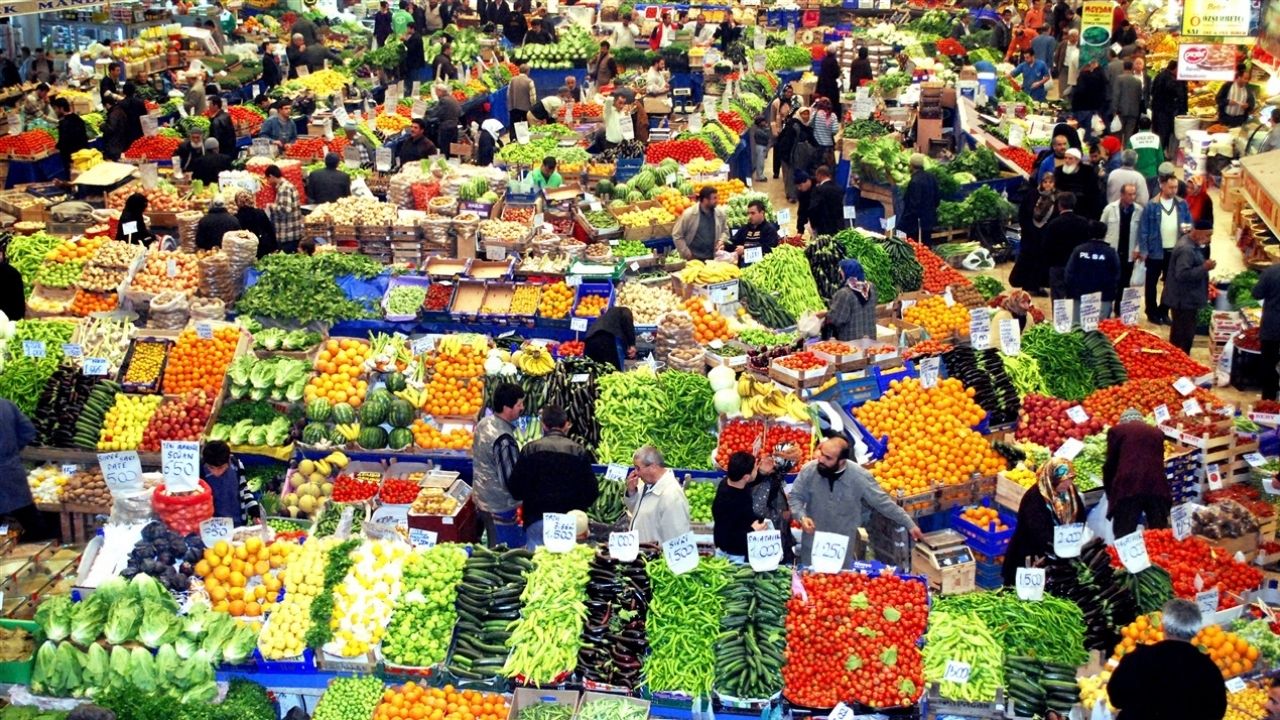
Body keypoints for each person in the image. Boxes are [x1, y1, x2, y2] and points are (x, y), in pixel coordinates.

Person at [791, 437, 922, 566]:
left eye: (828, 458)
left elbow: (883, 503)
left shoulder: (859, 477)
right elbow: (796, 496)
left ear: (842, 461)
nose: (821, 460)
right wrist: (802, 517)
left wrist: (908, 523)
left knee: (839, 583)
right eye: (822, 454)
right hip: (812, 544)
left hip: (843, 548)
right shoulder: (810, 470)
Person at [1107, 599, 1227, 720]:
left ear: (1164, 627)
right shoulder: (1208, 669)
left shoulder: (1137, 659)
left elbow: (1116, 698)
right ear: (1196, 631)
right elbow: (1217, 712)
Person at [507, 405, 598, 548]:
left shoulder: (530, 449)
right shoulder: (578, 451)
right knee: (565, 565)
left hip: (536, 519)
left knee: (538, 564)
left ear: (543, 424)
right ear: (566, 425)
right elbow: (591, 492)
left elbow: (515, 488)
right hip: (569, 523)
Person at [1001, 458, 1086, 584]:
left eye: (1070, 480)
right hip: (1030, 556)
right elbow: (1037, 532)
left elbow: (1080, 517)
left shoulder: (1071, 493)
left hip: (1060, 554)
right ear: (1051, 479)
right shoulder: (1034, 498)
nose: (1068, 485)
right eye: (1063, 481)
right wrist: (1058, 549)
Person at [1103, 407, 1170, 537]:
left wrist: (1110, 491)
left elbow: (1111, 464)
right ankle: (1159, 553)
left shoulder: (1116, 431)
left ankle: (1125, 555)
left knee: (1125, 531)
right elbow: (1158, 461)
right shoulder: (1157, 433)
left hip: (1128, 486)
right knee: (1159, 531)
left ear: (1123, 422)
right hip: (1156, 485)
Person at [473, 382, 525, 547]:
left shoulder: (484, 423)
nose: (522, 407)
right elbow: (511, 480)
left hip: (482, 496)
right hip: (500, 505)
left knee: (492, 538)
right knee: (504, 550)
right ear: (507, 408)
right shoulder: (504, 440)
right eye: (519, 404)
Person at [1138, 174, 1192, 325]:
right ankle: (1151, 311)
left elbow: (1189, 224)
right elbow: (1144, 229)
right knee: (1151, 283)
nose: (1174, 190)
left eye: (1176, 187)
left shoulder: (1182, 204)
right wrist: (1143, 250)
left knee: (1170, 284)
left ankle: (1164, 310)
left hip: (1174, 251)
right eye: (1171, 187)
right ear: (1162, 185)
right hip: (1155, 251)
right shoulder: (1151, 205)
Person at [1163, 218, 1214, 354]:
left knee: (1181, 333)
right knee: (1183, 335)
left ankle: (1178, 359)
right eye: (1208, 235)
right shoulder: (1186, 249)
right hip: (1183, 300)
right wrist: (1204, 267)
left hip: (1186, 299)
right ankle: (1180, 361)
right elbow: (1182, 275)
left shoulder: (1192, 244)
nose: (1209, 239)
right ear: (1197, 232)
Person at [625, 445, 691, 544]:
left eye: (638, 468)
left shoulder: (672, 495)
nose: (636, 473)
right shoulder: (647, 485)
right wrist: (631, 491)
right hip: (643, 554)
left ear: (652, 467)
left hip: (654, 557)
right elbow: (639, 512)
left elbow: (677, 538)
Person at [713, 452, 771, 562]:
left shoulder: (730, 482)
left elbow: (750, 480)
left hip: (739, 545)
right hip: (733, 554)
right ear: (746, 477)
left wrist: (762, 473)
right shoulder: (727, 502)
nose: (757, 469)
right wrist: (753, 530)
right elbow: (727, 536)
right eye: (755, 469)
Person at [0, 398, 43, 539]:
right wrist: (12, 451)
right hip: (12, 471)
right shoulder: (5, 404)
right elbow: (28, 431)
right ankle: (42, 551)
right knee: (31, 522)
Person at [1011, 173, 1058, 296]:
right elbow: (1023, 213)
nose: (1047, 185)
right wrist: (1027, 229)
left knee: (1041, 263)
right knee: (1028, 260)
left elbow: (1055, 217)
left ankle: (1037, 286)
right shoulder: (1032, 195)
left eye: (1050, 182)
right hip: (1029, 235)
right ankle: (1026, 285)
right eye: (1045, 182)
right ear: (1041, 183)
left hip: (1045, 237)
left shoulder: (1056, 198)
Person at [1064, 220, 1121, 319]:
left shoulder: (1078, 250)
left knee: (1077, 329)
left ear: (1089, 232)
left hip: (1079, 296)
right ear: (1105, 234)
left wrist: (1070, 291)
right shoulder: (1111, 253)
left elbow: (1069, 273)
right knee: (1100, 329)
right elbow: (1116, 274)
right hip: (1103, 298)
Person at [1102, 182, 1143, 312]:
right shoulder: (1110, 209)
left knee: (1124, 284)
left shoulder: (1139, 211)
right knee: (1109, 282)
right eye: (1129, 194)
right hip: (1112, 253)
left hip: (1129, 253)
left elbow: (1142, 233)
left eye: (1134, 194)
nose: (1132, 197)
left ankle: (1119, 310)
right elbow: (1102, 228)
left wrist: (1138, 248)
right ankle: (1106, 309)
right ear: (1122, 195)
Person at [1043, 192, 1092, 298]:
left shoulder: (1054, 224)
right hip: (1077, 266)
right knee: (1075, 298)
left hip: (1058, 266)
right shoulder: (1083, 222)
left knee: (1058, 301)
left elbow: (1046, 246)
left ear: (1059, 205)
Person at [201, 441, 262, 526]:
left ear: (228, 460)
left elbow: (244, 490)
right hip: (214, 526)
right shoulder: (201, 472)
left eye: (220, 467)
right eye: (211, 468)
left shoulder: (237, 466)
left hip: (238, 523)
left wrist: (254, 510)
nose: (216, 472)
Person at [749, 454, 794, 562]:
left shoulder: (773, 478)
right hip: (767, 533)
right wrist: (780, 514)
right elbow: (758, 508)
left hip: (771, 532)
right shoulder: (767, 482)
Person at [822, 259, 878, 341]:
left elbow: (836, 319)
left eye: (841, 272)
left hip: (851, 343)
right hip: (870, 340)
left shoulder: (845, 294)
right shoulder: (871, 288)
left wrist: (825, 317)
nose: (840, 274)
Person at [672, 187, 728, 261]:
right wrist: (687, 254)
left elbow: (725, 231)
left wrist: (721, 240)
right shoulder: (689, 214)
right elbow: (677, 235)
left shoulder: (720, 214)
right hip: (693, 259)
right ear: (705, 200)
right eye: (714, 198)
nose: (717, 201)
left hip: (713, 259)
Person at [1253, 260, 1280, 400]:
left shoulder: (1271, 272)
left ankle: (1268, 400)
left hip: (1272, 327)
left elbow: (1257, 293)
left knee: (1269, 364)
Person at [778, 105, 815, 202]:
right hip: (791, 154)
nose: (806, 116)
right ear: (799, 114)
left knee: (798, 173)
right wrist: (787, 156)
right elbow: (787, 141)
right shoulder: (794, 125)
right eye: (803, 114)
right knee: (790, 175)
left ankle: (798, 193)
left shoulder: (806, 126)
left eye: (807, 114)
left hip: (800, 155)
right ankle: (791, 195)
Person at [900, 153, 939, 245]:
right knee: (927, 245)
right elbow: (937, 198)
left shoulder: (915, 181)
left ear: (911, 165)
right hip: (929, 219)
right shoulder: (931, 177)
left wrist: (906, 220)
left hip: (917, 224)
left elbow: (914, 204)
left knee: (915, 247)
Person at [1150, 61, 1186, 159]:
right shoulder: (1169, 79)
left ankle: (1162, 154)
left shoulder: (1160, 76)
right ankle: (1161, 156)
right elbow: (1177, 94)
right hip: (1166, 112)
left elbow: (1152, 92)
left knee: (1162, 134)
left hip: (1160, 111)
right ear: (1174, 69)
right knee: (1164, 134)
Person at [264, 165, 303, 253]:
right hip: (291, 232)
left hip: (288, 233)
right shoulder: (286, 186)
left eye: (268, 179)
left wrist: (271, 206)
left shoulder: (284, 188)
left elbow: (285, 209)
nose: (268, 182)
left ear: (271, 176)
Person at [1054, 147, 1101, 220]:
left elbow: (1093, 192)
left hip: (1083, 209)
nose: (1067, 161)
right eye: (1065, 158)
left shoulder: (1088, 171)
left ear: (1077, 160)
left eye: (1070, 158)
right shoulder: (1059, 171)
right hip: (1064, 208)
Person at [233, 191, 278, 258]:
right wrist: (275, 246)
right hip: (262, 248)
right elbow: (270, 230)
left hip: (245, 251)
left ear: (237, 203)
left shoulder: (236, 218)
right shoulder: (260, 213)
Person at [1071, 59, 1107, 141]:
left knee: (1080, 130)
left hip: (1081, 107)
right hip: (1092, 107)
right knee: (1088, 130)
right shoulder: (1098, 77)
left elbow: (1079, 91)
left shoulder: (1082, 77)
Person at [52, 98, 88, 178]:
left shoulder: (64, 123)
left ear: (61, 108)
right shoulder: (78, 119)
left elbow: (63, 142)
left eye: (56, 108)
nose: (55, 111)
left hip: (71, 157)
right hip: (83, 154)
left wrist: (56, 147)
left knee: (73, 178)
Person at [1113, 60, 1144, 143]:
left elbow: (1116, 95)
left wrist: (1114, 110)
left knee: (1118, 132)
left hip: (1121, 111)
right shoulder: (1138, 81)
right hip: (1134, 111)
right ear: (1132, 68)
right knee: (1129, 134)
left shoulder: (1119, 79)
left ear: (1124, 67)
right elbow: (1139, 97)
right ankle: (1127, 152)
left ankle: (1119, 152)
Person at [808, 165, 843, 238]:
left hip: (823, 227)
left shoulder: (818, 190)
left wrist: (813, 225)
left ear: (820, 175)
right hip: (837, 227)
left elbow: (813, 209)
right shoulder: (839, 189)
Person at [430, 83, 462, 155]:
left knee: (444, 150)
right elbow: (460, 112)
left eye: (436, 92)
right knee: (453, 150)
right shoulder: (452, 98)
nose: (436, 94)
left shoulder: (443, 100)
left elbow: (436, 113)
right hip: (454, 127)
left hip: (446, 128)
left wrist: (426, 113)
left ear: (440, 91)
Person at [507, 63, 536, 137]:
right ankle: (524, 140)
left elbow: (508, 93)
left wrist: (510, 104)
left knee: (513, 125)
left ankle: (513, 140)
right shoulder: (529, 81)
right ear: (528, 71)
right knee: (524, 126)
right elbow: (533, 97)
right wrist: (533, 107)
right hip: (525, 108)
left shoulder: (512, 80)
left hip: (513, 107)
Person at [810, 98, 839, 169]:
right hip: (828, 147)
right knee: (829, 168)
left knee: (816, 167)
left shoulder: (815, 114)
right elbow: (834, 130)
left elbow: (810, 124)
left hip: (817, 145)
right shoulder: (833, 116)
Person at [207, 96, 237, 161]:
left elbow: (216, 138)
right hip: (230, 150)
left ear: (216, 106)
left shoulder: (216, 121)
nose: (208, 107)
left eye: (210, 105)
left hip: (223, 151)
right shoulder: (226, 115)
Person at [816, 44, 842, 117]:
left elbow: (821, 72)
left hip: (823, 84)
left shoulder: (824, 60)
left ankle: (823, 115)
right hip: (831, 85)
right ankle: (832, 115)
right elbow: (836, 74)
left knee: (824, 101)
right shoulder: (834, 61)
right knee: (833, 101)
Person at [1053, 29, 1080, 98]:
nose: (1074, 38)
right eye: (1073, 36)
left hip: (1075, 70)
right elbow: (1056, 56)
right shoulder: (1063, 44)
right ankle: (1062, 104)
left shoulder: (1080, 46)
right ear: (1069, 36)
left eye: (1076, 36)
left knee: (1073, 89)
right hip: (1064, 69)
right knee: (1063, 89)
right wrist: (1057, 66)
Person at [748, 115, 770, 183]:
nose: (765, 123)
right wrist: (767, 129)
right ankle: (759, 176)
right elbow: (766, 136)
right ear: (760, 123)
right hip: (760, 147)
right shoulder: (758, 131)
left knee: (761, 162)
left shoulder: (760, 130)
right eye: (763, 121)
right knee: (760, 162)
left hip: (762, 147)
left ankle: (761, 175)